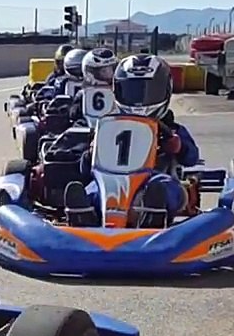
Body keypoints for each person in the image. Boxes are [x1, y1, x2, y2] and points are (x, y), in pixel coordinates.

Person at [64, 54, 200, 228]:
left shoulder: (171, 128)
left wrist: (179, 147)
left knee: (164, 189)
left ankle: (152, 216)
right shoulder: (109, 125)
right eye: (132, 91)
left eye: (148, 91)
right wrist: (91, 153)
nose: (140, 98)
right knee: (93, 189)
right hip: (111, 182)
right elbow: (85, 170)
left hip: (153, 179)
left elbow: (192, 158)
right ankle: (84, 216)